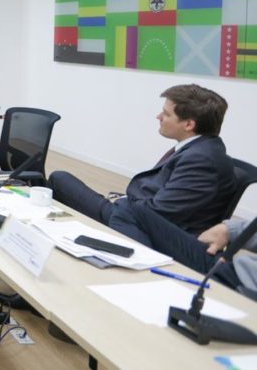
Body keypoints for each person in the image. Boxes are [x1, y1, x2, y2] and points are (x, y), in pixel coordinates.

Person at [50, 84, 235, 235]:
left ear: (188, 124)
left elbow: (159, 213)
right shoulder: (200, 148)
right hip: (136, 211)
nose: (159, 117)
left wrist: (122, 203)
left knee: (60, 180)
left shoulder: (201, 161)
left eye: (166, 114)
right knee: (61, 180)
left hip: (139, 224)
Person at [108, 202, 252, 296]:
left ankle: (144, 285)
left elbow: (163, 205)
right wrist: (230, 230)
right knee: (130, 211)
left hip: (241, 290)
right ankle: (143, 277)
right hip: (232, 268)